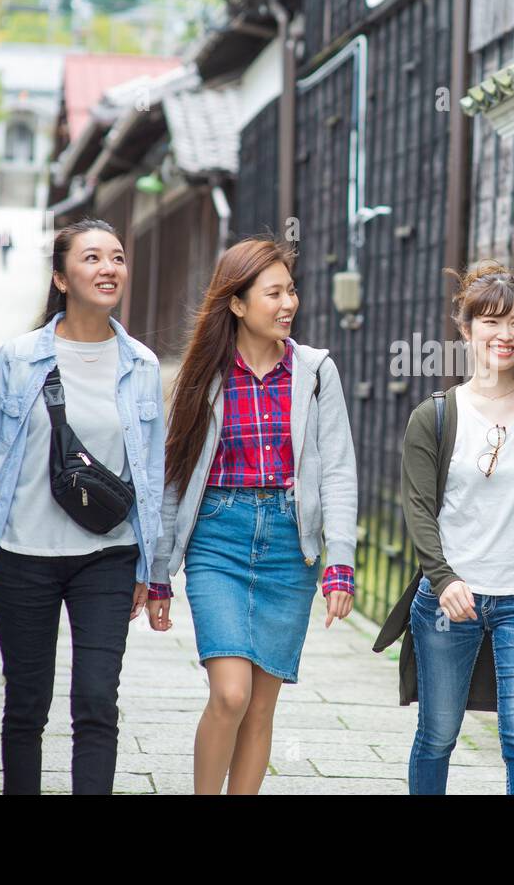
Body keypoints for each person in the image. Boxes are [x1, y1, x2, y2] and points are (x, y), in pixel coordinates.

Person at [0, 217, 166, 795]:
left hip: (108, 558)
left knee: (97, 700)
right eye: (92, 257)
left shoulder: (141, 366)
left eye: (117, 257)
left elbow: (152, 475)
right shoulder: (18, 359)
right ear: (61, 278)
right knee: (27, 702)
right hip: (22, 555)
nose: (109, 268)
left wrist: (152, 567)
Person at [372, 259, 514, 795]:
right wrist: (443, 580)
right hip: (452, 599)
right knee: (438, 734)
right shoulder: (437, 415)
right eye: (491, 322)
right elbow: (419, 509)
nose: (505, 334)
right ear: (466, 330)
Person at [150, 235, 357, 794]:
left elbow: (337, 469)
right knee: (230, 694)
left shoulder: (315, 372)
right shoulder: (204, 373)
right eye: (274, 293)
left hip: (291, 545)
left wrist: (340, 563)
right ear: (237, 303)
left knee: (261, 709)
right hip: (219, 537)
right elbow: (175, 476)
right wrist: (158, 572)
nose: (289, 303)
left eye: (291, 290)